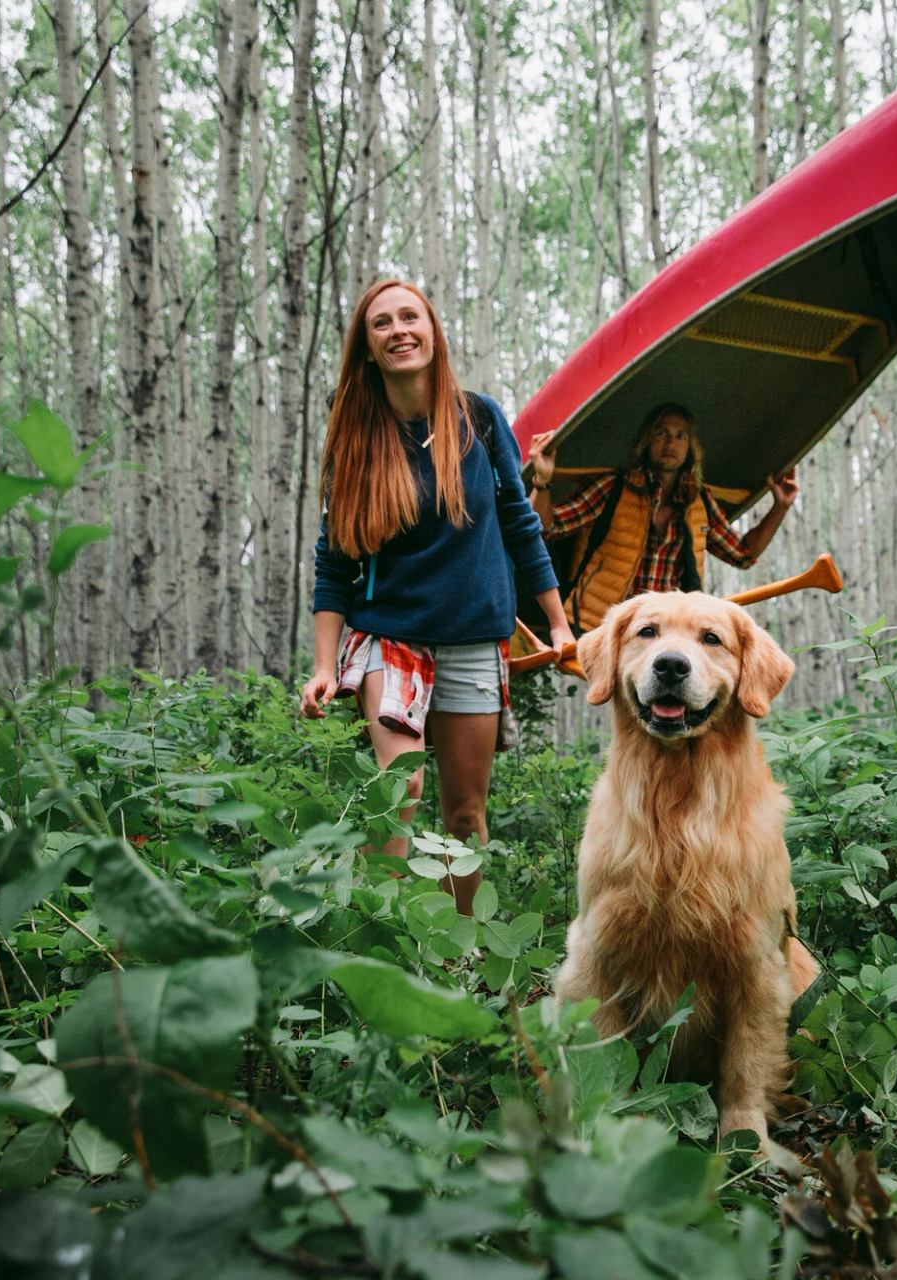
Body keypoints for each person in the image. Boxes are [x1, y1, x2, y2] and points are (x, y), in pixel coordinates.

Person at [300, 279, 574, 916]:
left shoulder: (477, 419)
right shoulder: (357, 437)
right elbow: (333, 560)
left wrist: (558, 624)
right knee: (401, 790)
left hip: (475, 640)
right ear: (367, 349)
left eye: (410, 317)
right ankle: (385, 947)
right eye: (381, 324)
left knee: (465, 810)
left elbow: (518, 522)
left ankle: (463, 952)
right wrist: (322, 664)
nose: (399, 330)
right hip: (389, 636)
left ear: (432, 330)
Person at [526, 403, 799, 633]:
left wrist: (781, 506)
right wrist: (542, 482)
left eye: (681, 436)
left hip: (665, 635)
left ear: (690, 446)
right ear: (647, 440)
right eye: (662, 433)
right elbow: (548, 526)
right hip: (604, 628)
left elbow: (743, 553)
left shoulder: (698, 501)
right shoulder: (614, 487)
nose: (671, 443)